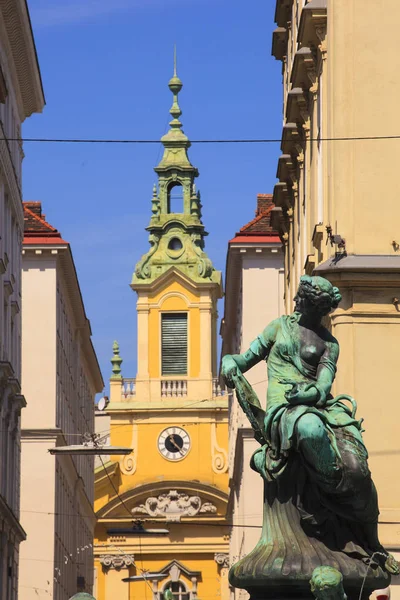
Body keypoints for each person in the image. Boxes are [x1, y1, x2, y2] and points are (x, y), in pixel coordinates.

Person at [222, 275, 399, 575]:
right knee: (309, 430)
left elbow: (323, 385)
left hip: (320, 405)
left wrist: (310, 393)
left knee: (357, 466)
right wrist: (229, 361)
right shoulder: (279, 328)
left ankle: (370, 540)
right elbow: (246, 358)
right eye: (315, 308)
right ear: (304, 303)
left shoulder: (329, 343)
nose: (320, 316)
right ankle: (327, 503)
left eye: (323, 311)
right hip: (284, 409)